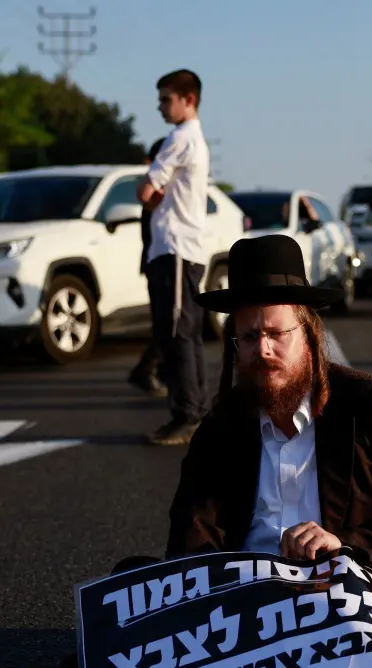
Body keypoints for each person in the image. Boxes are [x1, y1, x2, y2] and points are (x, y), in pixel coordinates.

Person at [163, 233, 372, 596]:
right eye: (250, 337)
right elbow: (190, 534)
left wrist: (344, 546)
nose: (264, 349)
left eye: (276, 333)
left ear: (308, 334)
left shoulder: (368, 404)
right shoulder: (221, 425)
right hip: (252, 606)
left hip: (351, 599)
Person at [136, 69, 211, 446]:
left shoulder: (179, 138)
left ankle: (187, 415)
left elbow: (146, 191)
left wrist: (149, 196)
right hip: (188, 249)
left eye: (167, 99)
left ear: (189, 100)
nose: (161, 106)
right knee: (189, 335)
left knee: (177, 334)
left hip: (175, 248)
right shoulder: (195, 140)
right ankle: (194, 410)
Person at [127, 137, 168, 398]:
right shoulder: (156, 192)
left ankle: (160, 371)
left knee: (168, 322)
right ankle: (146, 369)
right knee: (168, 323)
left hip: (159, 263)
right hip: (159, 264)